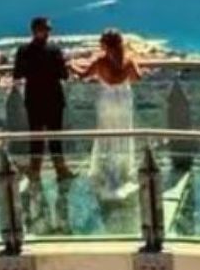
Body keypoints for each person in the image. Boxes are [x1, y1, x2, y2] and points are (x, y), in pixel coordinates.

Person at [78, 28, 144, 203]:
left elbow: (83, 75)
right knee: (123, 132)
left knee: (106, 133)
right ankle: (122, 170)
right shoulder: (129, 60)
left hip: (107, 101)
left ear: (105, 45)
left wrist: (71, 65)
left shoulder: (100, 62)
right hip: (123, 100)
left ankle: (107, 171)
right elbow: (138, 77)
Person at [11, 16, 73, 181]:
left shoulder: (23, 51)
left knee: (36, 138)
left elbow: (17, 74)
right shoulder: (55, 50)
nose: (48, 33)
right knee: (55, 137)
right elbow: (64, 75)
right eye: (46, 29)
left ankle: (35, 171)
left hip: (34, 99)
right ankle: (61, 170)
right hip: (54, 98)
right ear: (39, 30)